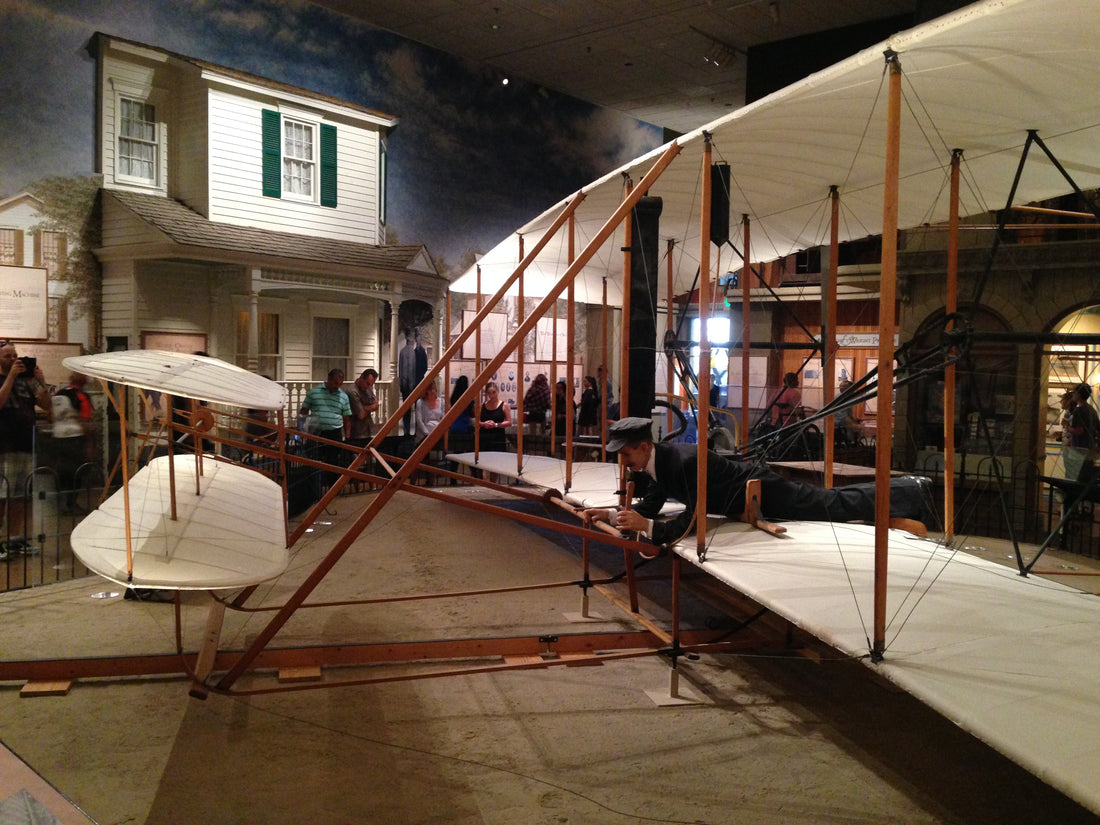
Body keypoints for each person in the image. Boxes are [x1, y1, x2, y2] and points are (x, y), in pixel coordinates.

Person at [584, 417, 930, 548]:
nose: (623, 461)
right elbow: (652, 505)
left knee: (829, 506)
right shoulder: (657, 463)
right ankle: (903, 492)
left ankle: (908, 490)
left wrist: (648, 528)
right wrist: (612, 515)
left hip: (760, 490)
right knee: (828, 501)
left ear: (644, 446)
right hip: (746, 494)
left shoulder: (682, 462)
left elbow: (693, 517)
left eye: (626, 454)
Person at [0, 342, 51, 557]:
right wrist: (11, 376)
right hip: (4, 446)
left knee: (20, 496)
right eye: (7, 356)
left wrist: (40, 382)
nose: (13, 359)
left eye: (15, 355)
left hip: (25, 444)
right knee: (2, 496)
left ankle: (14, 539)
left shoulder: (26, 382)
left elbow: (47, 405)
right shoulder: (5, 379)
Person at [298, 368, 352, 497]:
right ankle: (314, 490)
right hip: (316, 432)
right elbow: (304, 411)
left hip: (335, 432)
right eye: (334, 383)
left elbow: (347, 418)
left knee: (333, 462)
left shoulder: (343, 396)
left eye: (339, 384)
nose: (336, 387)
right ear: (328, 379)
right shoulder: (314, 393)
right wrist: (302, 430)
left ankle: (333, 490)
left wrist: (348, 436)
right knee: (314, 460)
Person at [51, 371, 96, 507]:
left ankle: (60, 503)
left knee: (62, 471)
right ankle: (71, 503)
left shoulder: (58, 394)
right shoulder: (81, 396)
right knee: (77, 472)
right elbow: (85, 420)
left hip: (58, 438)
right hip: (75, 439)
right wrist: (90, 443)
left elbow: (50, 415)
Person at [1064, 382, 1099, 483]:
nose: (1073, 395)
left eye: (1074, 392)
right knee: (1086, 481)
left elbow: (1079, 431)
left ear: (1078, 395)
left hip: (1079, 451)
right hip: (1090, 450)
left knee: (1076, 482)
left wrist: (1066, 426)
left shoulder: (1079, 410)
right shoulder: (1092, 410)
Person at [346, 368, 380, 447]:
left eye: (371, 385)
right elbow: (361, 415)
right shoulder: (352, 391)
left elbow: (376, 405)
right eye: (367, 383)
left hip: (369, 429)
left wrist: (365, 408)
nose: (368, 387)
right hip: (357, 433)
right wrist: (370, 407)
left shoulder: (367, 389)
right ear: (361, 377)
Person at [478, 381, 511, 452]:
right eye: (489, 393)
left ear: (497, 391)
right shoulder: (482, 406)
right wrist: (484, 424)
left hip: (498, 436)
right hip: (484, 436)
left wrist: (496, 424)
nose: (492, 395)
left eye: (494, 392)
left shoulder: (504, 405)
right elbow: (477, 422)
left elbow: (509, 422)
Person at [834, 379, 863, 445]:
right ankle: (852, 443)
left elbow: (848, 413)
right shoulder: (843, 399)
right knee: (857, 429)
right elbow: (843, 417)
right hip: (838, 423)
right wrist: (855, 425)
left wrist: (854, 419)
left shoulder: (840, 397)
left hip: (840, 422)